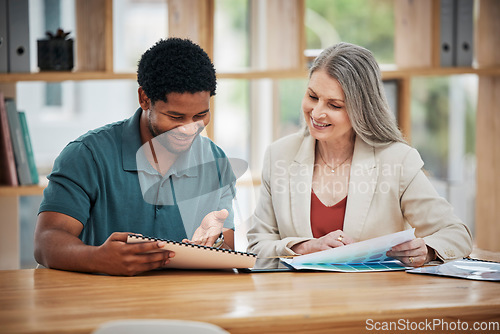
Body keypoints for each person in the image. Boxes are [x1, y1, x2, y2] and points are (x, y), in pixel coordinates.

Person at [247, 42, 473, 268]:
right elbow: (256, 247)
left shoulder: (397, 160)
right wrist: (301, 247)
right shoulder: (279, 155)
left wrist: (428, 250)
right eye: (313, 96)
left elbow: (456, 234)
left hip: (373, 299)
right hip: (299, 299)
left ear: (361, 109)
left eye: (334, 105)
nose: (316, 112)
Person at [34, 38, 237, 276]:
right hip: (101, 302)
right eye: (175, 117)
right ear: (144, 99)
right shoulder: (86, 155)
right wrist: (98, 258)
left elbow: (228, 248)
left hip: (182, 303)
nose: (189, 129)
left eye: (200, 115)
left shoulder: (215, 162)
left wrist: (212, 245)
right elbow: (46, 241)